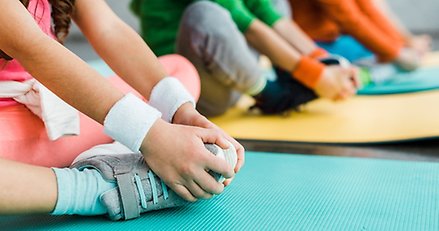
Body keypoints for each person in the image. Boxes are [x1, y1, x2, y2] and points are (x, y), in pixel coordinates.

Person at [0, 0, 244, 219]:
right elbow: (33, 47)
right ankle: (100, 186)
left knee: (178, 71)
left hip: (52, 119)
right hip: (9, 136)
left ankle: (122, 153)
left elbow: (108, 28)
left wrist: (181, 113)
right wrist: (152, 135)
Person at [131, 0, 359, 116]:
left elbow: (270, 16)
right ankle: (272, 95)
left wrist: (324, 62)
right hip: (190, 90)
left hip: (229, 71)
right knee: (203, 13)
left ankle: (289, 77)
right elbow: (249, 27)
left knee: (275, 2)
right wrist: (316, 76)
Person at [288, 0, 431, 71]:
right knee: (374, 56)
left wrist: (399, 45)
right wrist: (396, 53)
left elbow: (368, 9)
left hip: (336, 40)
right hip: (315, 45)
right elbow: (349, 19)